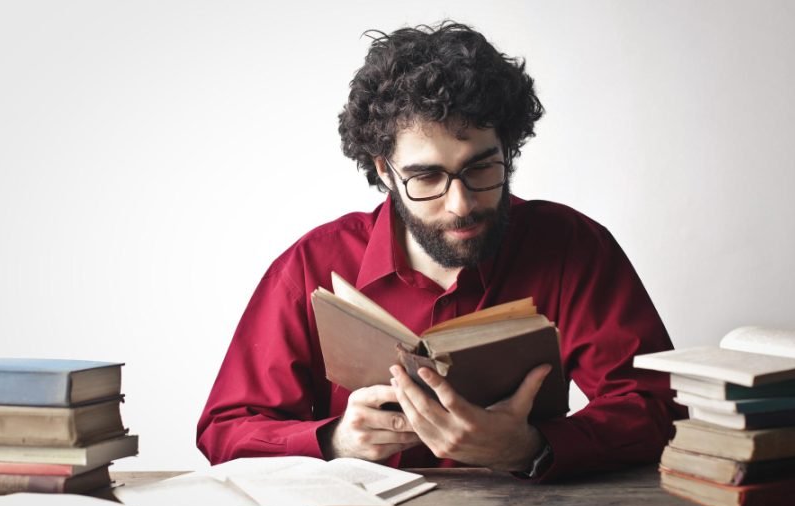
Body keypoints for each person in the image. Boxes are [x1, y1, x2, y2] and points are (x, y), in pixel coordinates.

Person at [196, 21, 683, 481]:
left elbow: (658, 404)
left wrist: (532, 448)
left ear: (507, 150)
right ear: (385, 170)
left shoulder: (573, 246)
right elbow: (225, 429)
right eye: (427, 177)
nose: (461, 204)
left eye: (482, 168)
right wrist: (335, 441)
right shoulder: (312, 265)